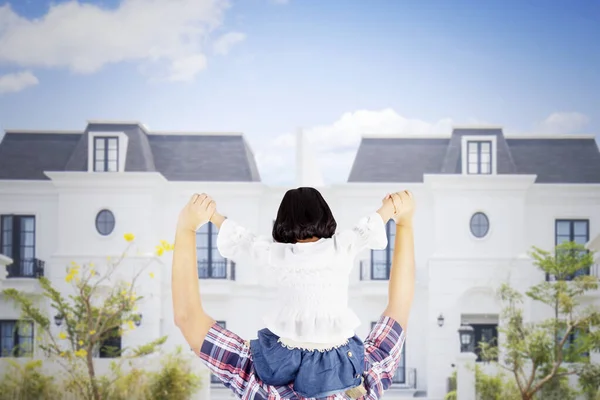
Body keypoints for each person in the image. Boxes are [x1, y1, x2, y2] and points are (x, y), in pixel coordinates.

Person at [172, 189, 415, 399]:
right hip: (342, 365)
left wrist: (189, 226)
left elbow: (188, 318)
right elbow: (399, 308)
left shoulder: (259, 379)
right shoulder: (363, 376)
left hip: (283, 360)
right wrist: (401, 219)